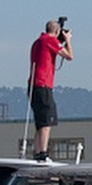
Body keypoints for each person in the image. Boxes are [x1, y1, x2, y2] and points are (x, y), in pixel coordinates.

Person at [29, 19, 74, 162]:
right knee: (46, 123)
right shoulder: (50, 40)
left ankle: (37, 152)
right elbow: (69, 56)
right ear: (57, 31)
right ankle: (42, 153)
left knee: (40, 122)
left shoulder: (37, 42)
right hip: (43, 85)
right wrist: (67, 40)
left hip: (34, 86)